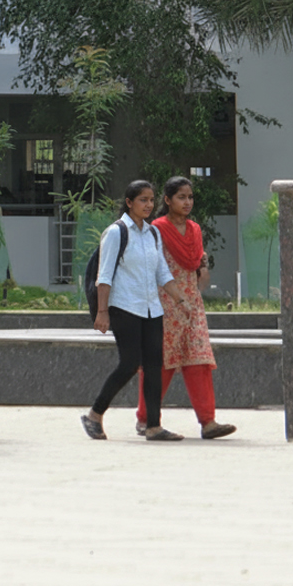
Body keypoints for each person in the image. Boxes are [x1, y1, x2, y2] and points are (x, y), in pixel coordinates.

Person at [85, 178, 178, 440]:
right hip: (124, 307)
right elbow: (103, 276)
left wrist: (181, 301)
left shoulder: (152, 233)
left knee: (153, 365)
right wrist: (102, 312)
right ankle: (94, 414)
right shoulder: (116, 232)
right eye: (143, 200)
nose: (148, 205)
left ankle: (153, 426)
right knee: (129, 363)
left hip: (151, 308)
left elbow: (161, 271)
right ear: (129, 203)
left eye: (151, 200)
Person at [160, 172, 237, 441]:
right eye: (181, 197)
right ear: (168, 200)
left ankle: (208, 422)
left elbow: (198, 269)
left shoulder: (194, 230)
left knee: (199, 359)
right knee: (163, 362)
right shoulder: (157, 228)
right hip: (164, 303)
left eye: (190, 197)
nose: (187, 202)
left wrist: (202, 275)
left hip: (192, 303)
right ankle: (145, 418)